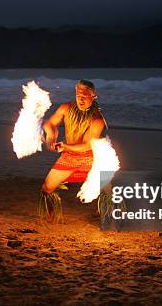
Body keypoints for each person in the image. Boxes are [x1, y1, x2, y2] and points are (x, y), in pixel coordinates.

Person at [38, 79, 110, 223]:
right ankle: (52, 218)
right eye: (78, 94)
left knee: (107, 190)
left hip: (91, 157)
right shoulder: (66, 108)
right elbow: (49, 123)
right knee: (47, 187)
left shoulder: (97, 119)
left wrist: (64, 146)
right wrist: (51, 135)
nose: (80, 98)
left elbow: (86, 145)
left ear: (93, 96)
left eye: (84, 95)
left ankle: (109, 218)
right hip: (70, 156)